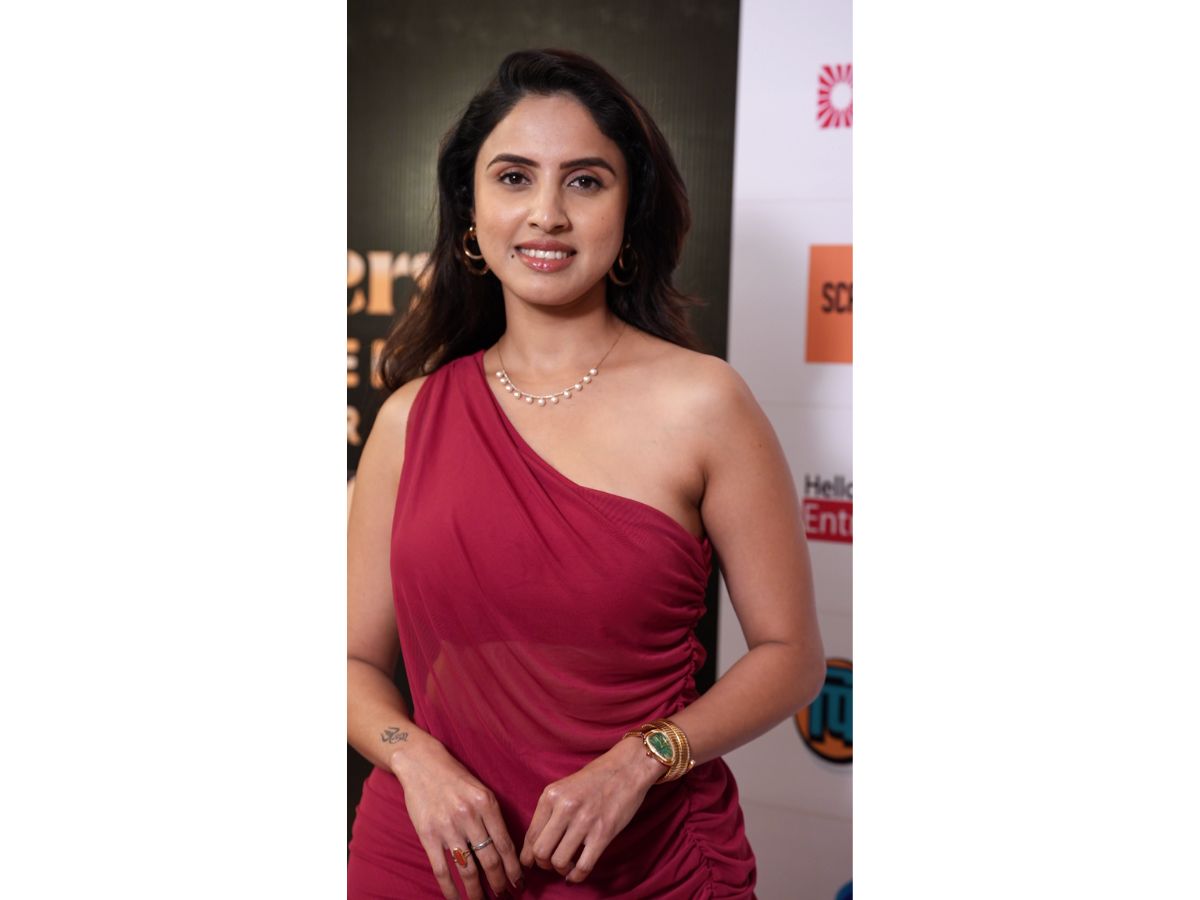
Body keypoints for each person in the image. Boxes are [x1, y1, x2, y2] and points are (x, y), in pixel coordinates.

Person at [347, 48, 825, 900]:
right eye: (514, 177)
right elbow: (346, 660)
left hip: (646, 865)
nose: (547, 213)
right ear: (471, 209)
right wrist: (414, 760)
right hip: (430, 857)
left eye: (585, 181)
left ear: (629, 210)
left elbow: (791, 658)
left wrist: (643, 759)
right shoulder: (409, 420)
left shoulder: (705, 403)